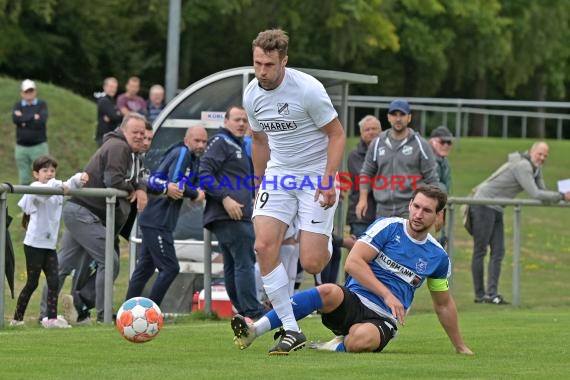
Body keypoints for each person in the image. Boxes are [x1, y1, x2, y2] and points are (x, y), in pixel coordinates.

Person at [231, 184, 473, 356]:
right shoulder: (388, 228)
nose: (419, 214)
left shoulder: (438, 257)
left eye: (427, 210)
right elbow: (353, 263)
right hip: (354, 300)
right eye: (416, 206)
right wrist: (388, 294)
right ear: (410, 205)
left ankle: (333, 346)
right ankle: (254, 330)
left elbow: (443, 304)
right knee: (327, 290)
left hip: (384, 318)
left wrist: (460, 345)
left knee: (361, 339)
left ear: (438, 215)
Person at [243, 29, 346, 354]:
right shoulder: (251, 94)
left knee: (313, 263)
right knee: (262, 245)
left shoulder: (308, 90)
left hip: (316, 175)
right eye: (258, 63)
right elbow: (259, 141)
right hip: (279, 175)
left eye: (269, 65)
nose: (262, 71)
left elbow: (337, 134)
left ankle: (327, 237)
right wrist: (259, 183)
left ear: (284, 61)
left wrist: (329, 180)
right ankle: (291, 328)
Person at [40, 112, 148, 323]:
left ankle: (51, 314)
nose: (139, 136)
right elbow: (114, 180)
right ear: (123, 130)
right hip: (85, 213)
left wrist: (139, 187)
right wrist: (131, 189)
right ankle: (104, 316)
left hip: (80, 211)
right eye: (135, 132)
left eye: (142, 133)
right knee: (110, 261)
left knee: (63, 265)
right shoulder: (119, 147)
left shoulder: (130, 151)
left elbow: (140, 175)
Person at [470, 141, 570, 305]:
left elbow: (543, 191)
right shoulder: (523, 166)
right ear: (532, 151)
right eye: (540, 154)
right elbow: (535, 194)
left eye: (546, 155)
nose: (542, 157)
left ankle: (491, 295)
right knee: (480, 251)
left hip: (497, 207)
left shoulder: (535, 167)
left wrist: (562, 196)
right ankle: (480, 295)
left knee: (498, 251)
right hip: (483, 204)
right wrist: (561, 196)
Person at [125, 126, 207, 306]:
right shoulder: (182, 152)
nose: (201, 145)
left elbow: (188, 185)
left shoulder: (193, 158)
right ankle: (151, 311)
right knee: (170, 268)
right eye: (197, 140)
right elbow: (175, 184)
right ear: (187, 140)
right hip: (157, 220)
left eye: (204, 141)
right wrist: (195, 194)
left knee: (145, 268)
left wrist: (197, 190)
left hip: (157, 220)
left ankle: (126, 311)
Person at [199, 106, 265, 320]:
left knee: (233, 264)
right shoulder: (221, 142)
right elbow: (205, 174)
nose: (241, 123)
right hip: (230, 214)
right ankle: (253, 311)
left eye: (245, 120)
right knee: (244, 262)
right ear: (226, 121)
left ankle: (243, 311)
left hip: (235, 215)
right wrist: (225, 198)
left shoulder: (236, 144)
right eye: (237, 119)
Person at [11, 156, 88, 328]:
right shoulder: (35, 188)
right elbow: (44, 192)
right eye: (45, 171)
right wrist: (58, 184)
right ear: (36, 174)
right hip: (34, 245)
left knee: (54, 281)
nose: (49, 174)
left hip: (49, 245)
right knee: (32, 282)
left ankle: (50, 319)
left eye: (52, 171)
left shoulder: (56, 187)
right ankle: (17, 319)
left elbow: (70, 183)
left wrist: (79, 177)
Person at [357, 99, 438, 219]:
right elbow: (366, 172)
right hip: (382, 210)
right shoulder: (377, 143)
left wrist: (437, 209)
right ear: (388, 117)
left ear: (409, 118)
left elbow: (432, 178)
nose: (398, 119)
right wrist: (362, 200)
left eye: (402, 115)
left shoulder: (420, 144)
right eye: (394, 115)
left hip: (410, 209)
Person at [346, 115, 382, 239]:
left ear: (380, 131)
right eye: (367, 130)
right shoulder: (354, 155)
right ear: (361, 133)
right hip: (361, 215)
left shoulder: (388, 151)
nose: (371, 132)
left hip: (385, 212)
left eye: (374, 129)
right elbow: (365, 180)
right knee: (359, 254)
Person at [12, 79, 49, 185]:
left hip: (39, 146)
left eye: (31, 91)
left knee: (43, 177)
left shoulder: (42, 104)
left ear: (35, 91)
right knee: (24, 179)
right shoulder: (17, 105)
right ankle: (26, 201)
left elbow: (40, 122)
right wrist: (33, 117)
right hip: (21, 147)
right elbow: (15, 120)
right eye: (26, 91)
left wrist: (23, 119)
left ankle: (43, 200)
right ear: (21, 93)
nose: (29, 93)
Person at [428, 125, 454, 244]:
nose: (446, 145)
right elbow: (433, 186)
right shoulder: (426, 159)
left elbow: (447, 187)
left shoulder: (445, 162)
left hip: (440, 206)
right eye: (442, 141)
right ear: (431, 141)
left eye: (449, 142)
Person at [95, 77, 123, 147]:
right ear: (104, 87)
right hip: (104, 138)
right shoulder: (104, 100)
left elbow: (118, 118)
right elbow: (115, 117)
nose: (113, 89)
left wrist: (118, 115)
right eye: (111, 87)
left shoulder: (112, 101)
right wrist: (118, 114)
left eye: (115, 87)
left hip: (110, 137)